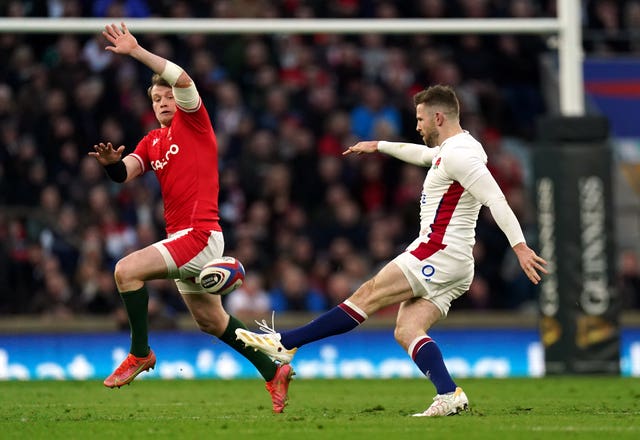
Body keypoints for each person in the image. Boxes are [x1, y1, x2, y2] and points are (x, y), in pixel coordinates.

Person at [236, 84, 547, 417]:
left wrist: (520, 246)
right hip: (455, 262)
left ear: (438, 117)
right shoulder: (454, 149)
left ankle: (286, 342)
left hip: (438, 251)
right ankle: (449, 393)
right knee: (407, 329)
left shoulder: (461, 154)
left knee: (369, 293)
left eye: (420, 119)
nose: (417, 126)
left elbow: (496, 198)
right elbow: (423, 155)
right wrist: (379, 146)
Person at [89, 23, 293, 413]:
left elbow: (181, 76)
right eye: (156, 98)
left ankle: (140, 353)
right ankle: (273, 369)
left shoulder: (194, 122)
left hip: (198, 234)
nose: (164, 101)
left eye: (168, 95)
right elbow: (125, 174)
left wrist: (135, 51)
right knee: (212, 322)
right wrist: (112, 165)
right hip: (183, 238)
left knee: (125, 271)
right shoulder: (152, 140)